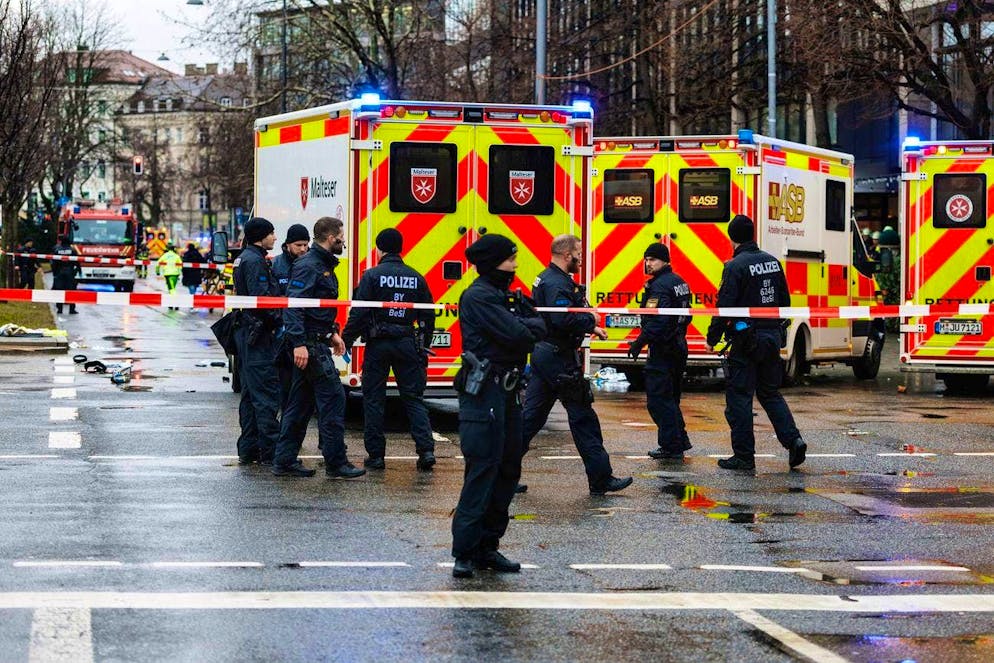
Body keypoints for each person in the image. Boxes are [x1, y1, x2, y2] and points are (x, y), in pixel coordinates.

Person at [451, 234, 546, 579]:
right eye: (510, 259)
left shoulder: (506, 296)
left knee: (508, 469)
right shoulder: (479, 297)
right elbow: (521, 335)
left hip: (507, 392)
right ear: (494, 263)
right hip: (485, 393)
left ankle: (488, 546)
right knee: (483, 469)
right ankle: (465, 552)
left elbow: (537, 326)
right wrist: (527, 325)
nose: (515, 265)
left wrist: (527, 324)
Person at [521, 234, 632, 494]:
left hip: (545, 356)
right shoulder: (558, 284)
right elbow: (561, 321)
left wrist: (589, 321)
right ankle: (601, 479)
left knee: (529, 419)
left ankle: (499, 477)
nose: (581, 258)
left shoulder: (547, 278)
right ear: (566, 255)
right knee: (583, 418)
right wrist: (590, 322)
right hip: (558, 358)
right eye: (578, 254)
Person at [705, 214, 806, 471]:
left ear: (732, 237)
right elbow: (784, 301)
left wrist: (712, 338)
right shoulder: (772, 262)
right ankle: (793, 440)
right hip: (771, 337)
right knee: (770, 393)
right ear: (752, 235)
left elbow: (725, 307)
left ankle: (743, 456)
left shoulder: (735, 266)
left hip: (746, 340)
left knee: (739, 398)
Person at [272, 216, 365, 479]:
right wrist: (299, 343)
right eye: (341, 237)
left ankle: (285, 460)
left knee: (299, 405)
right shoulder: (309, 266)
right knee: (334, 399)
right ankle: (337, 463)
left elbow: (318, 307)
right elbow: (294, 306)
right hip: (309, 346)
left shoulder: (321, 265)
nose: (344, 241)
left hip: (317, 340)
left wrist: (333, 332)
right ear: (330, 237)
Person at [341, 227, 437, 471]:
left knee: (374, 399)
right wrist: (425, 345)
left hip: (379, 344)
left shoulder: (372, 276)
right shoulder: (416, 277)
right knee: (413, 398)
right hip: (407, 343)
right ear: (401, 248)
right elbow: (427, 314)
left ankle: (376, 456)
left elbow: (360, 312)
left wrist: (346, 340)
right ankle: (426, 451)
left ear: (379, 249)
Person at [629, 242, 692, 461]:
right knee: (671, 398)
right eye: (646, 259)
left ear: (665, 261)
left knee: (658, 400)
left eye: (653, 259)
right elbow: (687, 315)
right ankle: (679, 440)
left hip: (664, 349)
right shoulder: (679, 282)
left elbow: (659, 321)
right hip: (678, 346)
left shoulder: (660, 286)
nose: (648, 263)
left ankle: (671, 446)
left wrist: (639, 342)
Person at [232, 218, 282, 466]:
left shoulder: (245, 257)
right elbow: (263, 301)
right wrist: (279, 319)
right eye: (271, 234)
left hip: (247, 332)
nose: (275, 238)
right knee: (265, 395)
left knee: (251, 395)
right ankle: (271, 452)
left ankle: (249, 448)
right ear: (260, 236)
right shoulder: (255, 261)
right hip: (258, 335)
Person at [271, 223, 311, 410]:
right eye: (299, 245)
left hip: (306, 331)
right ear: (288, 245)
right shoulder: (276, 265)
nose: (303, 249)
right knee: (284, 385)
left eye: (306, 245)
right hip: (281, 333)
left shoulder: (312, 264)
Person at [52, 235, 81, 315]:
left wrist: (55, 273)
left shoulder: (57, 250)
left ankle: (59, 309)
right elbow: (77, 262)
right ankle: (72, 309)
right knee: (71, 291)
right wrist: (78, 271)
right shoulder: (72, 250)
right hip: (70, 273)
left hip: (59, 273)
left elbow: (54, 263)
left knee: (60, 291)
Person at [156, 242, 183, 309]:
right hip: (175, 274)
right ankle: (171, 304)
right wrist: (180, 272)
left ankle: (175, 303)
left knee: (171, 289)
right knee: (172, 288)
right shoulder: (176, 256)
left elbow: (158, 263)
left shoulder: (165, 255)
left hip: (168, 274)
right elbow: (180, 264)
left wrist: (157, 271)